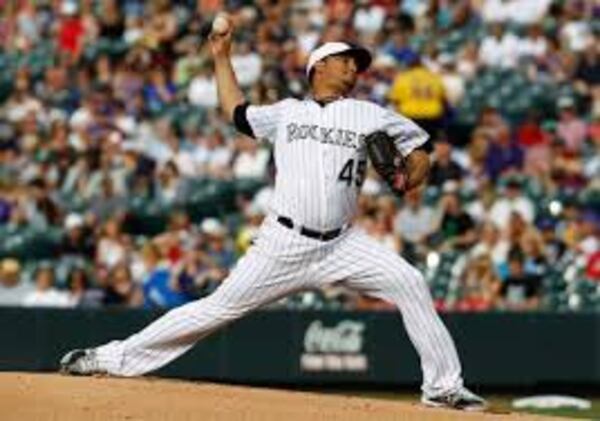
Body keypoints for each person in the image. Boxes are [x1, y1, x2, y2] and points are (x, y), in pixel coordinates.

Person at [60, 14, 486, 411]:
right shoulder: (287, 112)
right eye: (346, 61)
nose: (355, 68)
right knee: (216, 309)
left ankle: (442, 387)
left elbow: (422, 149)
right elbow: (236, 113)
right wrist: (221, 57)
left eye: (357, 63)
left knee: (409, 281)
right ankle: (109, 357)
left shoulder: (369, 113)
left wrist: (409, 178)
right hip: (284, 241)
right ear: (318, 66)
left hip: (342, 242)